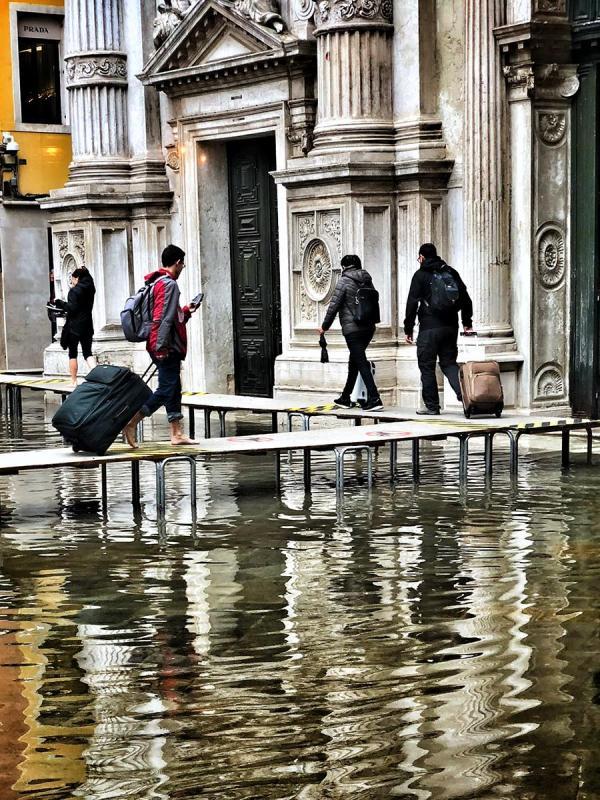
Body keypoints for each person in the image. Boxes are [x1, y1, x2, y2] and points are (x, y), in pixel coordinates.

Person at [122, 244, 200, 448]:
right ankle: (132, 422)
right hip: (165, 346)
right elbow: (162, 319)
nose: (183, 267)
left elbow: (170, 316)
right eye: (183, 263)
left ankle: (177, 433)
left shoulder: (157, 282)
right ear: (178, 262)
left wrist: (187, 310)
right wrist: (160, 347)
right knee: (166, 389)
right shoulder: (169, 284)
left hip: (163, 343)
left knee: (174, 388)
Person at [404, 242, 473, 415]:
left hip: (429, 328)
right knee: (449, 363)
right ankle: (467, 397)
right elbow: (465, 298)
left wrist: (408, 328)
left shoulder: (420, 275)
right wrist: (467, 322)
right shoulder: (450, 272)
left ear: (421, 257)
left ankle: (432, 406)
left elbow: (412, 303)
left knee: (427, 366)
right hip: (450, 327)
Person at [318, 254, 383, 411]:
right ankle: (345, 397)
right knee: (354, 362)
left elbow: (334, 306)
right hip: (369, 327)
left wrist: (324, 327)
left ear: (344, 267)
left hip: (353, 329)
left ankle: (375, 399)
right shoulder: (367, 280)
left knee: (360, 362)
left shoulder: (344, 281)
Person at [53, 266, 96, 387]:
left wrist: (60, 302)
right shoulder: (91, 289)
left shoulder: (74, 291)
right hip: (87, 324)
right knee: (88, 352)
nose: (72, 282)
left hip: (74, 326)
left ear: (77, 278)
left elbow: (72, 308)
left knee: (73, 353)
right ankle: (98, 375)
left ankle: (73, 381)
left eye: (72, 279)